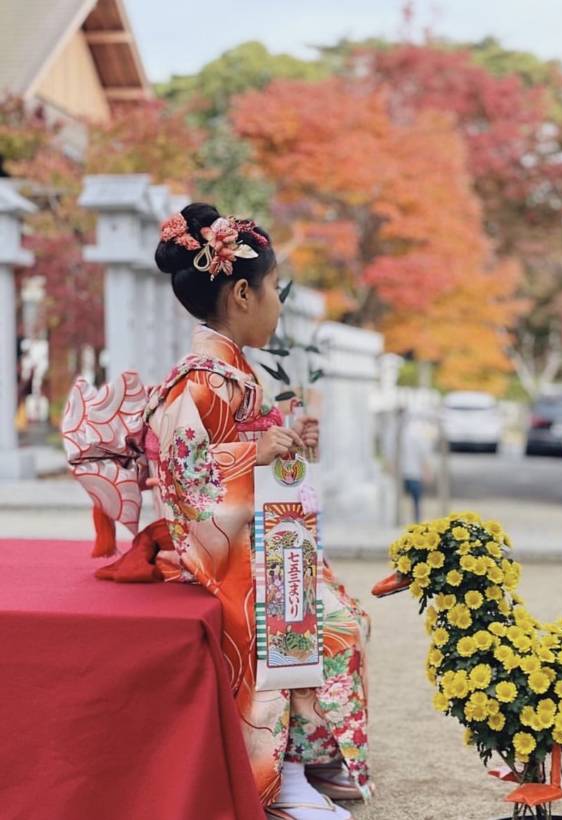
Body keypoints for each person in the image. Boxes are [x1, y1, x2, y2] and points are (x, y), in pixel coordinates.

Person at [148, 205, 370, 819]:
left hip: (249, 539)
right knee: (319, 623)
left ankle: (309, 761)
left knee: (335, 609)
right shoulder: (199, 379)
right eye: (273, 288)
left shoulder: (236, 374)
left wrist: (292, 437)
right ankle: (283, 777)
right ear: (242, 293)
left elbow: (261, 455)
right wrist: (254, 450)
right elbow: (178, 477)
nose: (277, 301)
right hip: (215, 553)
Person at [400, 410, 433, 522]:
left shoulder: (395, 434)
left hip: (403, 472)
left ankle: (402, 519)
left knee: (401, 499)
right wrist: (427, 472)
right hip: (414, 473)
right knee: (416, 500)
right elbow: (423, 456)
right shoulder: (416, 435)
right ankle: (416, 520)